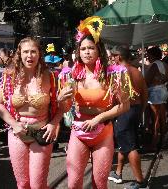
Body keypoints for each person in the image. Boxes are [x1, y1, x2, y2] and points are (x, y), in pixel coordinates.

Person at [0, 37, 73, 188]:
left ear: (39, 54)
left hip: (42, 133)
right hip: (17, 134)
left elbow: (64, 107)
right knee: (23, 184)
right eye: (26, 52)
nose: (29, 56)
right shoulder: (9, 76)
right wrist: (13, 124)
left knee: (38, 184)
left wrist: (54, 123)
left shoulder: (51, 77)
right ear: (20, 54)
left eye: (33, 52)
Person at [63, 16, 132, 189]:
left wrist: (98, 118)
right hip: (78, 131)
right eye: (83, 49)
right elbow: (64, 108)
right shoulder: (71, 75)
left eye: (91, 48)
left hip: (103, 133)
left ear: (99, 50)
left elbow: (125, 105)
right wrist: (60, 100)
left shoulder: (114, 75)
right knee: (73, 182)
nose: (86, 52)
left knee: (100, 183)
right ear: (78, 52)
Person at [108, 46, 148, 189]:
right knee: (126, 143)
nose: (111, 58)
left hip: (124, 111)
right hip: (136, 110)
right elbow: (144, 94)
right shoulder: (137, 71)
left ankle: (140, 182)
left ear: (118, 57)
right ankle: (118, 173)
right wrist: (141, 111)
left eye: (113, 56)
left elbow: (115, 98)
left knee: (130, 146)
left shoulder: (119, 72)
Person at [145, 46, 168, 150]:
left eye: (148, 55)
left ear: (153, 55)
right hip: (162, 90)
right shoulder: (163, 64)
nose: (147, 57)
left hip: (155, 92)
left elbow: (147, 81)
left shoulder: (154, 65)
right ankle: (162, 140)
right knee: (162, 118)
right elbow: (165, 78)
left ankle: (154, 142)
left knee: (156, 118)